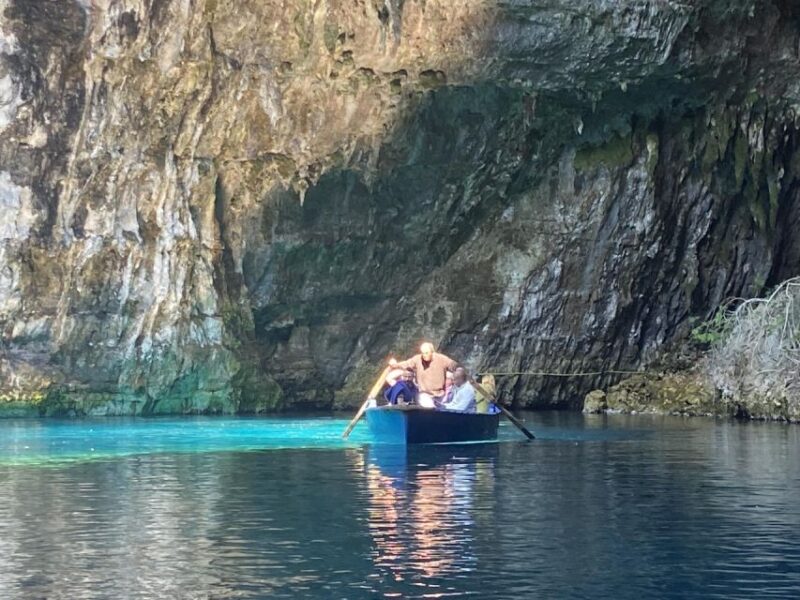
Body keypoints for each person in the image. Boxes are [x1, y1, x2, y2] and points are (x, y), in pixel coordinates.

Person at [390, 342, 459, 408]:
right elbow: (407, 363)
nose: (424, 355)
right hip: (424, 394)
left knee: (442, 409)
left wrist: (459, 370)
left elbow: (453, 365)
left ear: (432, 352)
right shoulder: (418, 359)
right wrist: (396, 365)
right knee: (429, 409)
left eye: (426, 353)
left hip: (440, 394)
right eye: (423, 353)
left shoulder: (442, 359)